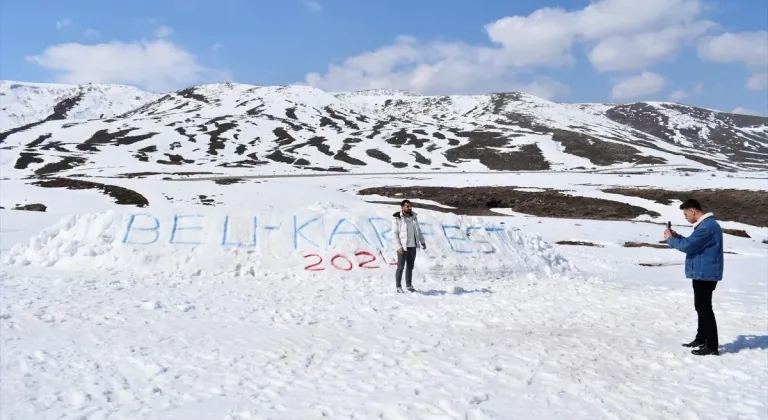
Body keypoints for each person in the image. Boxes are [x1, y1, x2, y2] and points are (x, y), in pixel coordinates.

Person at [664, 199, 724, 356]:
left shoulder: (707, 227)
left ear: (693, 211)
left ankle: (711, 346)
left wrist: (670, 239)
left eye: (685, 214)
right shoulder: (706, 226)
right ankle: (701, 338)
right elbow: (692, 243)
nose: (685, 217)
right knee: (701, 307)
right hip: (703, 272)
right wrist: (676, 236)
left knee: (704, 308)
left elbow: (688, 246)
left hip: (706, 273)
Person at [391, 199, 426, 293]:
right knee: (400, 267)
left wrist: (422, 242)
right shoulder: (397, 218)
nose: (410, 208)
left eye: (410, 206)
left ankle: (409, 286)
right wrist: (398, 247)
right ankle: (398, 286)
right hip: (402, 247)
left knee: (410, 267)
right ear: (402, 207)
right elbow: (394, 234)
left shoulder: (414, 217)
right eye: (407, 206)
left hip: (412, 246)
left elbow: (418, 230)